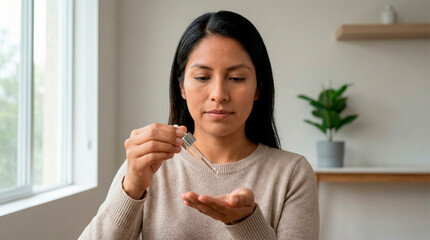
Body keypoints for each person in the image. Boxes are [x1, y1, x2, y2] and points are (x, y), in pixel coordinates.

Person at [80, 10, 319, 240]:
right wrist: (132, 187)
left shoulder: (292, 173)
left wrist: (246, 222)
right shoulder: (151, 164)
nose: (219, 94)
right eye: (203, 77)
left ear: (258, 88)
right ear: (182, 87)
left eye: (236, 78)